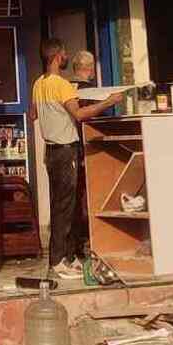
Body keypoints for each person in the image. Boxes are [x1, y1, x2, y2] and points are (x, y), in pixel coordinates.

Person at [31, 41, 124, 282]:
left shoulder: (38, 84)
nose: (66, 57)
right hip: (65, 150)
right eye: (63, 53)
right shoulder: (61, 85)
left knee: (60, 205)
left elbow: (33, 114)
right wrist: (108, 102)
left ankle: (67, 257)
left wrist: (53, 116)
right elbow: (80, 114)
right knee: (65, 208)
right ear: (56, 56)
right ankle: (58, 261)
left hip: (50, 151)